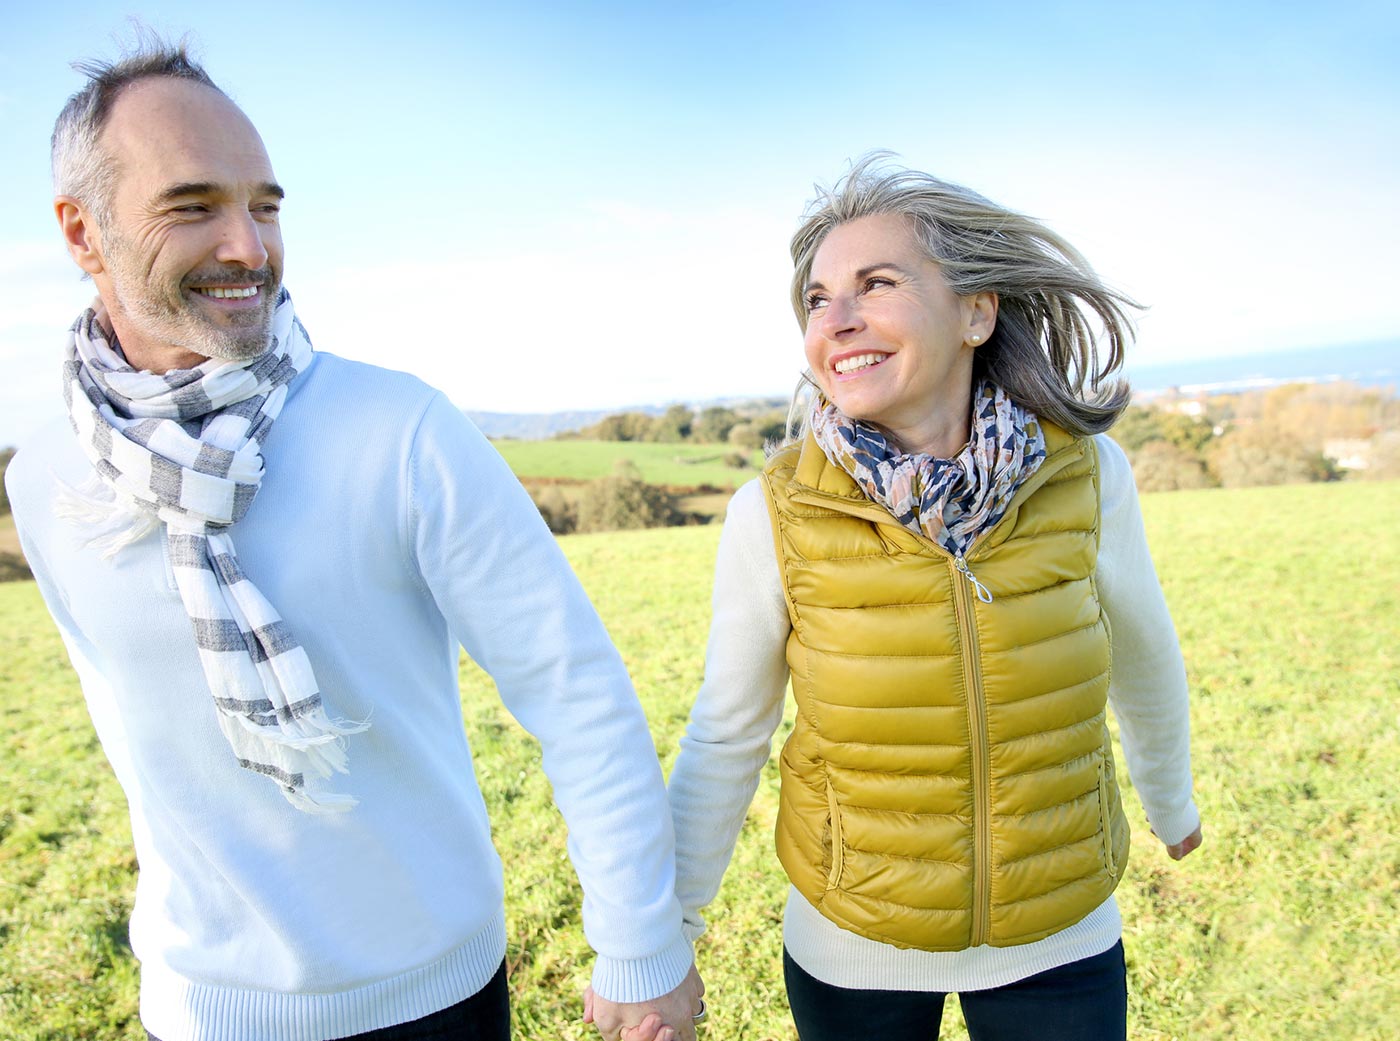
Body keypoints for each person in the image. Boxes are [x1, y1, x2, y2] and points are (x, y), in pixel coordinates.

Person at [4, 39, 703, 1041]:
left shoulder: (399, 429)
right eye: (194, 206)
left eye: (267, 204)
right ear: (83, 232)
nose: (248, 245)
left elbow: (574, 690)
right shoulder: (46, 479)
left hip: (430, 999)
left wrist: (639, 948)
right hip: (198, 1009)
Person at [653, 157, 1204, 1040]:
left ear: (976, 311)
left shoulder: (1087, 473)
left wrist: (1170, 798)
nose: (838, 321)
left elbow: (1143, 648)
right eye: (818, 299)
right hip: (852, 942)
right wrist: (668, 927)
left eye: (877, 283)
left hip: (1058, 933)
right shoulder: (775, 510)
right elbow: (727, 730)